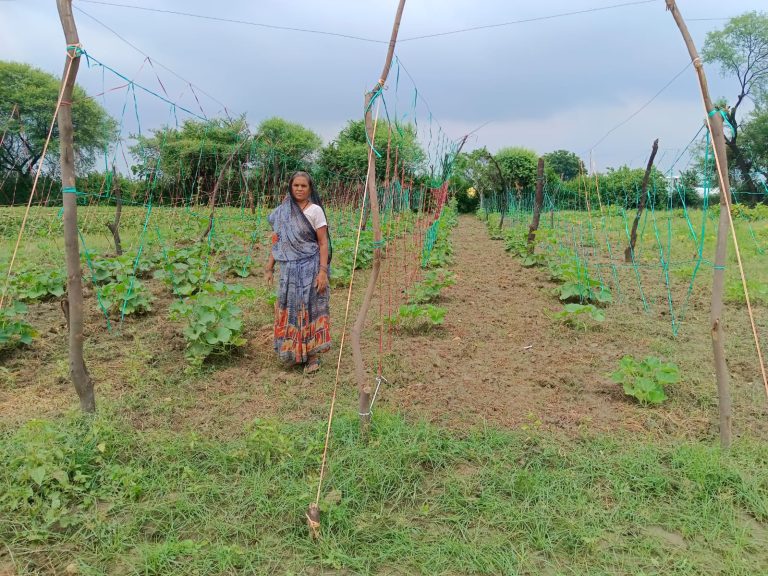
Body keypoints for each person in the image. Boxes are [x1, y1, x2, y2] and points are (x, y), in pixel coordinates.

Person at [265, 171, 331, 373]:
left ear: (310, 189)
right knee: (290, 307)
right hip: (289, 270)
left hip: (310, 267)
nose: (300, 189)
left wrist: (322, 271)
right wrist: (269, 267)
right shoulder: (283, 211)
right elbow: (278, 242)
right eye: (296, 186)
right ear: (290, 188)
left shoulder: (315, 211)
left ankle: (312, 356)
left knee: (310, 308)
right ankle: (294, 352)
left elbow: (323, 242)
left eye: (304, 186)